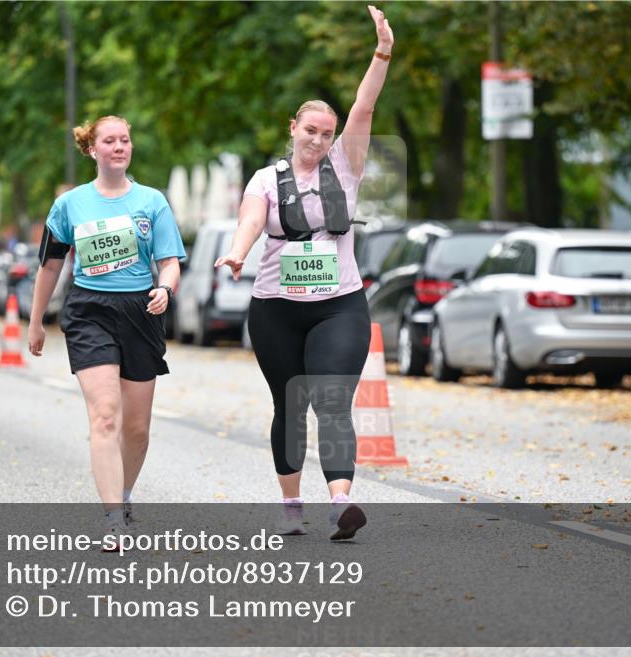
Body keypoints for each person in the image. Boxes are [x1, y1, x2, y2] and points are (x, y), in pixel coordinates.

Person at [215, 5, 394, 541]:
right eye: (310, 130)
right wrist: (237, 252)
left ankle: (341, 503)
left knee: (333, 400)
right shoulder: (266, 178)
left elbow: (364, 107)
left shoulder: (346, 165)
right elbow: (250, 219)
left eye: (327, 133)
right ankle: (291, 504)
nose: (318, 140)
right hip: (276, 309)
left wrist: (382, 50)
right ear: (293, 128)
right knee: (290, 405)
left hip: (339, 303)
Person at [27, 115, 186, 548]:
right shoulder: (70, 205)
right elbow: (51, 265)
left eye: (125, 140)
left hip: (141, 309)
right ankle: (113, 517)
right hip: (88, 309)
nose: (119, 147)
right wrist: (36, 319)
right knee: (105, 416)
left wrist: (165, 290)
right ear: (92, 149)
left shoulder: (152, 202)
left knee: (136, 428)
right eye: (110, 141)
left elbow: (170, 262)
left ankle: (126, 494)